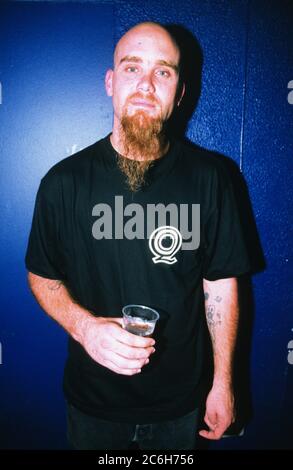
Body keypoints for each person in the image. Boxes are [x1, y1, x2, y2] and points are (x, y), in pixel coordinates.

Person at [25, 22, 251, 450]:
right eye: (132, 69)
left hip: (180, 407)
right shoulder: (63, 183)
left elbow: (220, 284)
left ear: (179, 92)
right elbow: (42, 275)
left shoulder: (211, 179)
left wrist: (223, 383)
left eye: (163, 72)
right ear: (110, 82)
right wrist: (86, 328)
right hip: (94, 407)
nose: (146, 85)